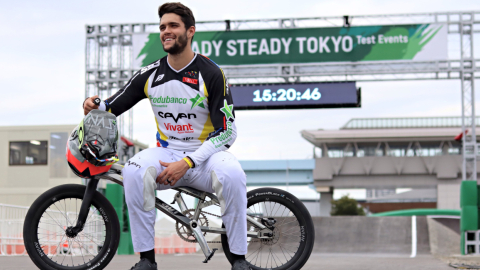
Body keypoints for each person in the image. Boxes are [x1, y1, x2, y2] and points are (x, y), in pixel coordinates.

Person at [83, 3, 249, 270]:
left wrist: (188, 162)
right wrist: (94, 105)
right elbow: (113, 106)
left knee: (233, 175)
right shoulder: (150, 73)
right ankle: (146, 260)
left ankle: (239, 259)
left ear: (190, 31)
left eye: (173, 26)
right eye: (162, 27)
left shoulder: (211, 73)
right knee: (134, 171)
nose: (166, 31)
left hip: (208, 157)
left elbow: (228, 132)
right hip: (167, 153)